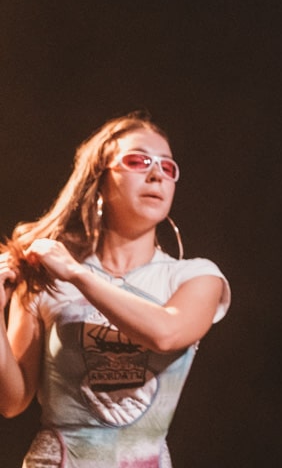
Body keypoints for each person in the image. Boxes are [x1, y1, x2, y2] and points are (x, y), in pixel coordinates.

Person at [0, 111, 231, 467]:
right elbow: (12, 401)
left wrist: (77, 274)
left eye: (167, 167)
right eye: (137, 161)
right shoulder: (47, 278)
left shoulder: (196, 277)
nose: (156, 174)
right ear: (100, 180)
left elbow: (166, 333)